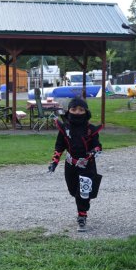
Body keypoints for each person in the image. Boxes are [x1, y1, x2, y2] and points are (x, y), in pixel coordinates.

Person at [47, 97, 103, 232]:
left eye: (81, 110)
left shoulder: (91, 130)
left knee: (83, 192)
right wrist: (54, 162)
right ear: (69, 111)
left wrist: (92, 153)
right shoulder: (64, 128)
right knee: (73, 191)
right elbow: (59, 146)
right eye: (74, 109)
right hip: (70, 166)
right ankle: (82, 206)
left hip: (87, 165)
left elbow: (98, 146)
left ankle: (82, 216)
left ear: (86, 112)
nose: (77, 112)